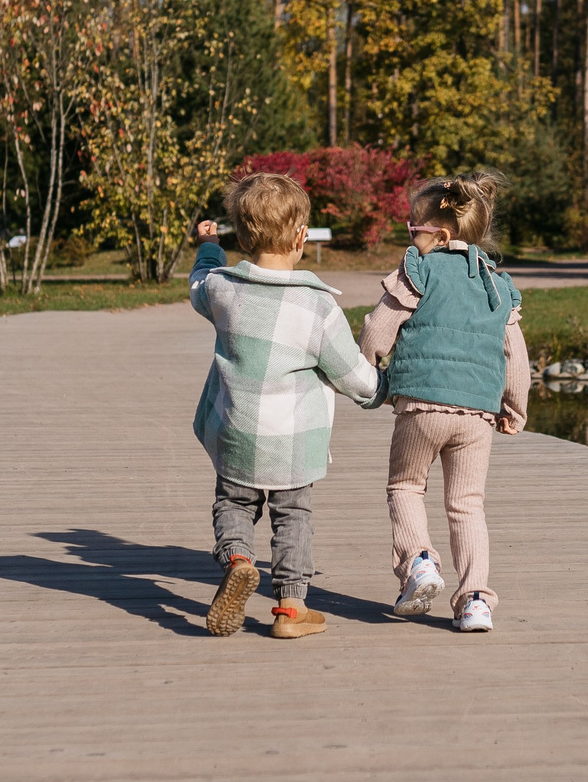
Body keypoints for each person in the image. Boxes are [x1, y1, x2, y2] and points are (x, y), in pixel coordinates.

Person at [188, 171, 380, 639]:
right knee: (293, 516)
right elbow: (352, 374)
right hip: (293, 443)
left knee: (233, 503)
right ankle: (290, 609)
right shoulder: (317, 307)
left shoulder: (222, 289)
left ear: (244, 234)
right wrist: (381, 388)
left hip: (235, 429)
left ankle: (237, 558)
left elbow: (199, 281)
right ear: (300, 237)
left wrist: (210, 248)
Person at [357, 171, 530, 633]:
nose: (410, 238)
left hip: (421, 404)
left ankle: (419, 563)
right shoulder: (498, 285)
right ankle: (475, 600)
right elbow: (516, 357)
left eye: (414, 230)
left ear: (441, 234)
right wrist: (513, 407)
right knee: (467, 504)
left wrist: (367, 369)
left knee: (406, 486)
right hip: (477, 413)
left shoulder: (418, 269)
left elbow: (377, 331)